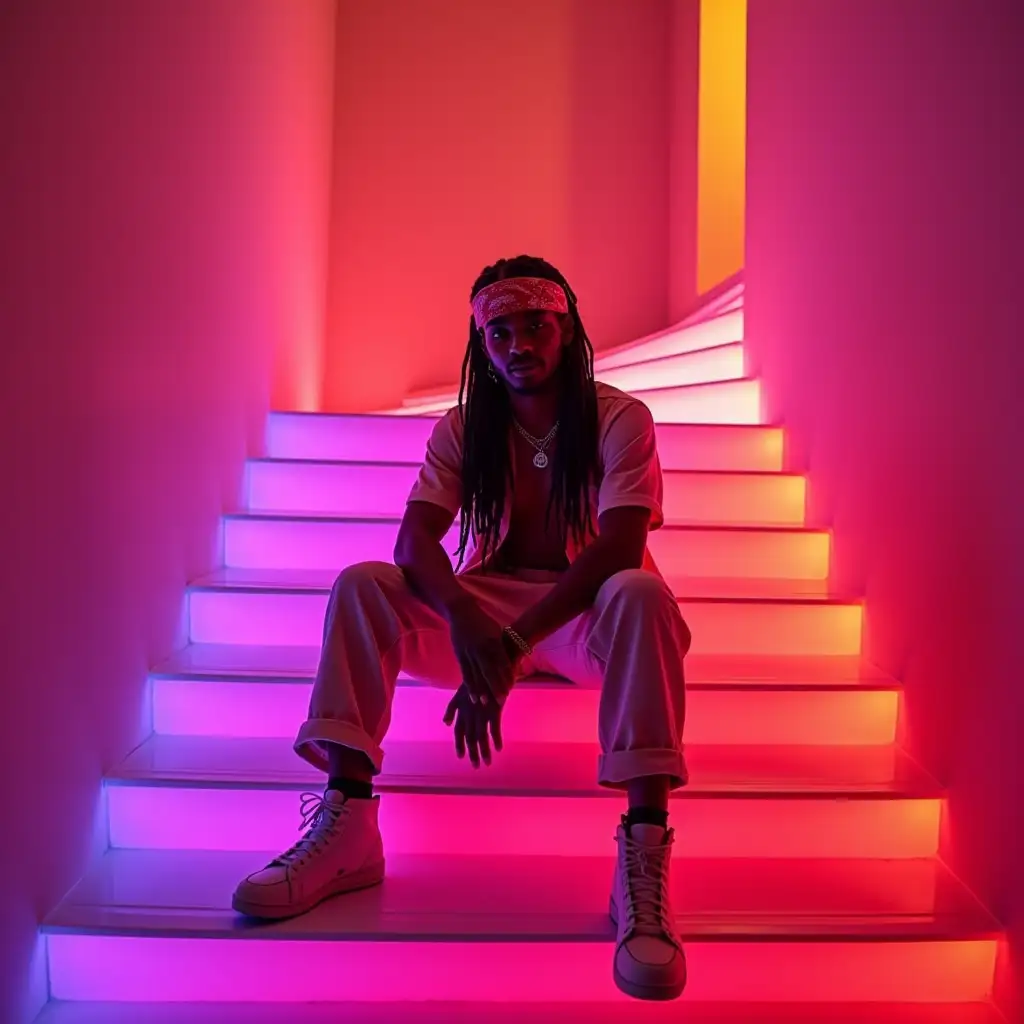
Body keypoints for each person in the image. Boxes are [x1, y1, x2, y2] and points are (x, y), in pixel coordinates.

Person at [232, 255, 691, 1001]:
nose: (517, 344)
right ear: (482, 344)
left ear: (567, 329)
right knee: (363, 585)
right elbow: (413, 544)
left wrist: (515, 643)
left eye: (535, 325)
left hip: (586, 618)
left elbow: (619, 542)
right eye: (498, 331)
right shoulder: (460, 429)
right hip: (486, 615)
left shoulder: (619, 418)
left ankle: (643, 854)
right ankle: (348, 823)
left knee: (641, 592)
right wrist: (472, 619)